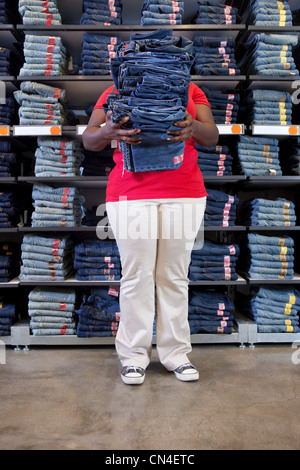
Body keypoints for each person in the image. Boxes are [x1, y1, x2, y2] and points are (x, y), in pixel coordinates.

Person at [82, 82, 219, 385]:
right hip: (131, 193)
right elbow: (89, 139)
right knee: (136, 275)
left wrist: (192, 127)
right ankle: (134, 357)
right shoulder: (116, 89)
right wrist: (108, 132)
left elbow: (212, 136)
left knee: (173, 276)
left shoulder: (191, 90)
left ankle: (176, 354)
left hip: (184, 193)